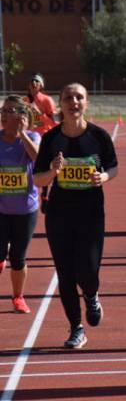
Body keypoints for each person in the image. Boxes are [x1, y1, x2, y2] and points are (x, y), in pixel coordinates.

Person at [33, 83, 118, 349]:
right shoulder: (51, 139)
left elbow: (113, 168)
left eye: (79, 97)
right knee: (65, 274)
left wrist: (101, 176)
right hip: (59, 215)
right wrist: (53, 173)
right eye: (68, 98)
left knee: (88, 270)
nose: (74, 102)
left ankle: (91, 294)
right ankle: (76, 328)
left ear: (86, 102)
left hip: (91, 214)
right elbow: (38, 179)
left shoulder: (99, 137)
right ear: (61, 104)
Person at [0, 95, 40, 314]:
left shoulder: (32, 137)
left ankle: (18, 297)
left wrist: (22, 134)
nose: (6, 115)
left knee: (18, 258)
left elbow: (39, 159)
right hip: (1, 209)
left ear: (23, 116)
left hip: (25, 210)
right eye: (4, 111)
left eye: (11, 111)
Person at [24, 73, 58, 212]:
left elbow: (54, 121)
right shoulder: (24, 100)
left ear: (41, 85)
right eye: (31, 81)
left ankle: (45, 195)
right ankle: (27, 191)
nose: (33, 84)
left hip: (44, 137)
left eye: (36, 82)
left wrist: (40, 114)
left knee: (44, 165)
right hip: (30, 137)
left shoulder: (47, 100)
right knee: (27, 165)